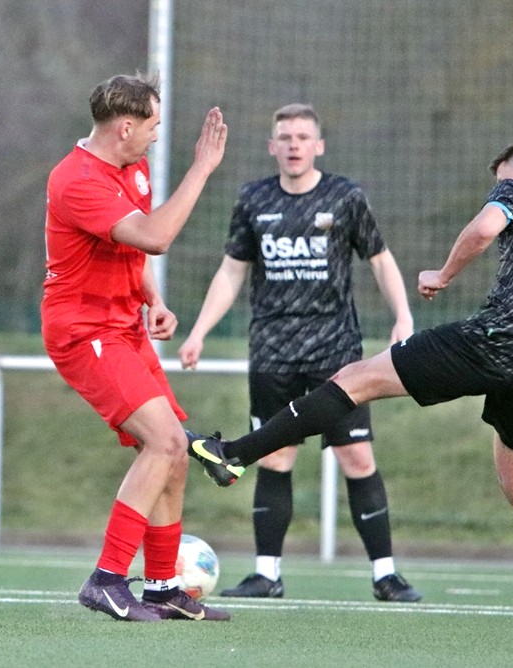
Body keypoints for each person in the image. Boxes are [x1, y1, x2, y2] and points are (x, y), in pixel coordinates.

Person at [188, 136, 513, 630]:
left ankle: (234, 455)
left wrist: (443, 274)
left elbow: (484, 229)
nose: (497, 189)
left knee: (355, 379)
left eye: (501, 180)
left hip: (501, 337)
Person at [178, 103, 420, 602]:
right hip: (272, 352)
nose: (294, 145)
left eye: (303, 137)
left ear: (318, 145)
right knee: (274, 456)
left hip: (336, 352)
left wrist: (403, 316)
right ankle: (266, 574)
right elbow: (231, 271)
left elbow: (379, 259)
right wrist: (199, 331)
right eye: (285, 137)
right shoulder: (253, 199)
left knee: (356, 456)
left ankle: (386, 575)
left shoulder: (345, 196)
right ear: (272, 146)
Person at [41, 73, 231, 622]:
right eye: (152, 126)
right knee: (167, 442)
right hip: (84, 331)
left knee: (173, 453)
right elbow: (155, 236)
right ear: (125, 127)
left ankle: (163, 587)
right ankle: (105, 579)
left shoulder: (133, 167)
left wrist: (153, 298)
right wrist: (201, 168)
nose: (155, 136)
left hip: (123, 326)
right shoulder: (77, 179)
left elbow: (131, 246)